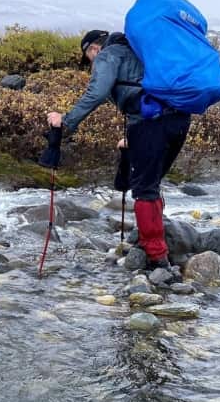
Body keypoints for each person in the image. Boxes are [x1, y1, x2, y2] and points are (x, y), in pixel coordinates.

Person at [46, 29, 191, 270]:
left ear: (93, 49)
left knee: (144, 188)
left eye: (89, 58)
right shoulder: (140, 52)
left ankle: (156, 258)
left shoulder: (109, 54)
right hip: (180, 119)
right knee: (152, 181)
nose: (92, 63)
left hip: (151, 123)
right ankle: (155, 242)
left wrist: (66, 119)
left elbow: (98, 92)